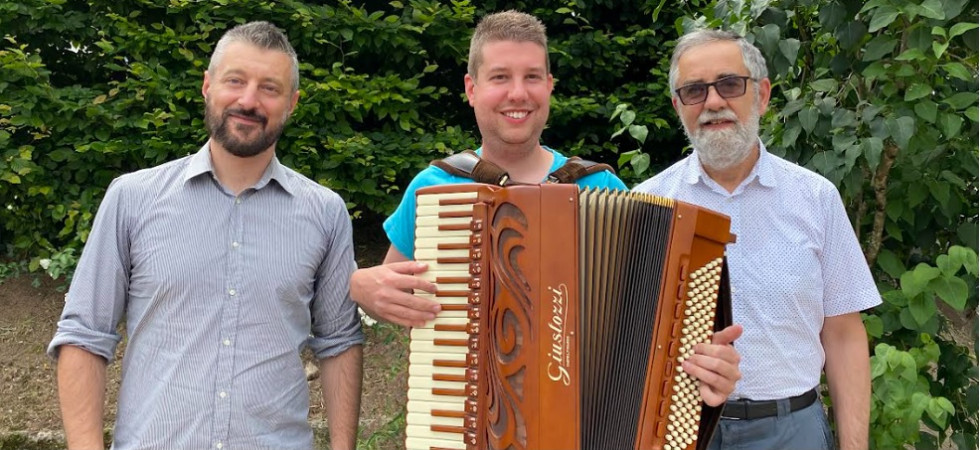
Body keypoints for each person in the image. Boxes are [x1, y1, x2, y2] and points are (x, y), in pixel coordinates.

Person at [350, 10, 742, 407]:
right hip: (462, 415)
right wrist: (362, 288)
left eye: (532, 77)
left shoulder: (601, 189)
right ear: (471, 88)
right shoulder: (434, 188)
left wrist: (705, 366)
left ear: (549, 86)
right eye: (500, 77)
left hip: (585, 412)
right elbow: (392, 291)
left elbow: (656, 320)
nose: (518, 93)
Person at [47, 21, 363, 450]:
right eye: (235, 81)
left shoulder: (325, 213)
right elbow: (84, 335)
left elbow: (339, 342)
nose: (248, 100)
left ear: (291, 103)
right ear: (208, 86)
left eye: (269, 88)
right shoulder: (132, 199)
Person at [633, 28, 881, 450]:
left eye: (730, 84)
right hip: (679, 429)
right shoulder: (648, 204)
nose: (713, 102)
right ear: (679, 107)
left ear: (762, 95)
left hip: (793, 430)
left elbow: (843, 333)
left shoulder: (816, 197)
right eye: (694, 91)